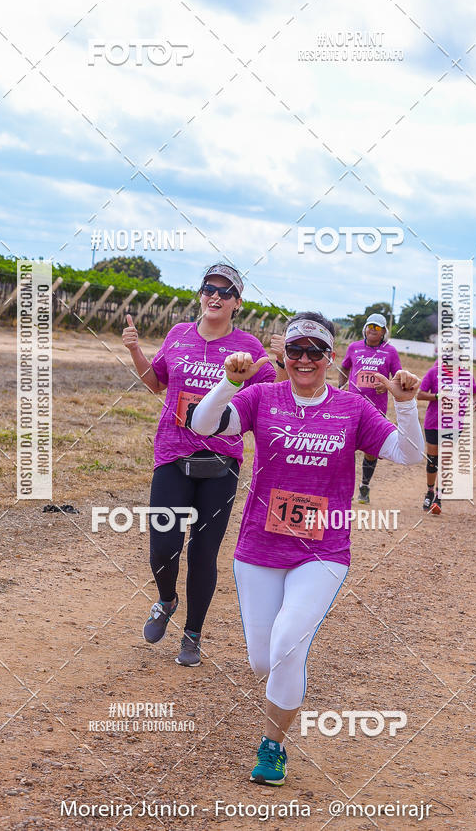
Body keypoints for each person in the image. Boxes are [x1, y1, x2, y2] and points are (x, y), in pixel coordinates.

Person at [190, 312, 423, 785]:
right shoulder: (262, 397)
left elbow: (410, 454)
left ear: (329, 357)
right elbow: (204, 423)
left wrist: (405, 405)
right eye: (295, 349)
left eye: (315, 351)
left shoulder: (352, 408)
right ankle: (284, 679)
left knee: (287, 642)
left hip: (323, 550)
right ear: (283, 354)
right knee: (261, 659)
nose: (304, 359)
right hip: (258, 546)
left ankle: (272, 747)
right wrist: (228, 383)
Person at [122, 263, 277, 667]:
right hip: (172, 454)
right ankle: (166, 600)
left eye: (225, 292)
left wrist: (278, 361)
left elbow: (269, 399)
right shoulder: (178, 335)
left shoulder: (249, 347)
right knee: (163, 548)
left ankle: (192, 634)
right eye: (209, 288)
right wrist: (135, 350)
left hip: (220, 462)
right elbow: (156, 383)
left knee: (204, 553)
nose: (215, 296)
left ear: (237, 303)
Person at [338, 313, 402, 504]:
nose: (373, 330)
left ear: (384, 332)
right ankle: (342, 488)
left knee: (370, 450)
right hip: (351, 406)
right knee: (344, 446)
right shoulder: (354, 347)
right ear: (364, 328)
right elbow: (344, 368)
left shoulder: (390, 351)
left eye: (378, 328)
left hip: (376, 408)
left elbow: (398, 376)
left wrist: (388, 384)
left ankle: (364, 486)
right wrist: (342, 388)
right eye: (370, 326)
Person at [418, 360, 476, 514]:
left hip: (454, 425)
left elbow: (475, 391)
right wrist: (439, 395)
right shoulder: (434, 372)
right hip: (433, 423)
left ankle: (438, 499)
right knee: (433, 461)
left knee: (445, 461)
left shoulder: (467, 375)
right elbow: (420, 394)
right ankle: (430, 492)